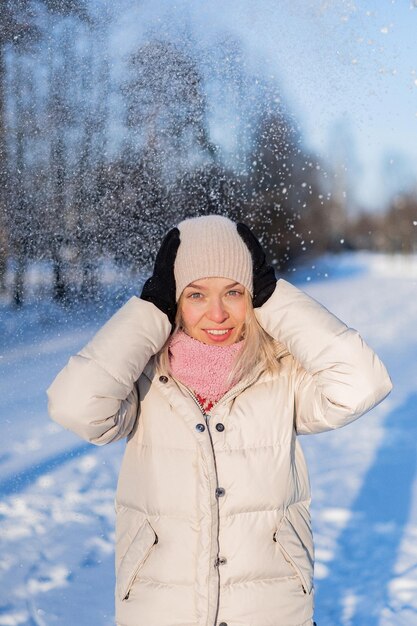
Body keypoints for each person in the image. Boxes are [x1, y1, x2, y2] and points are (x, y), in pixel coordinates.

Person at [47, 214, 392, 626]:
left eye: (234, 292)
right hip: (160, 611)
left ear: (255, 296)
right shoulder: (143, 380)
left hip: (269, 612)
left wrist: (276, 297)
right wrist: (146, 313)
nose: (217, 313)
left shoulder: (280, 374)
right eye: (195, 295)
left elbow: (362, 382)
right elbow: (75, 406)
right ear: (172, 299)